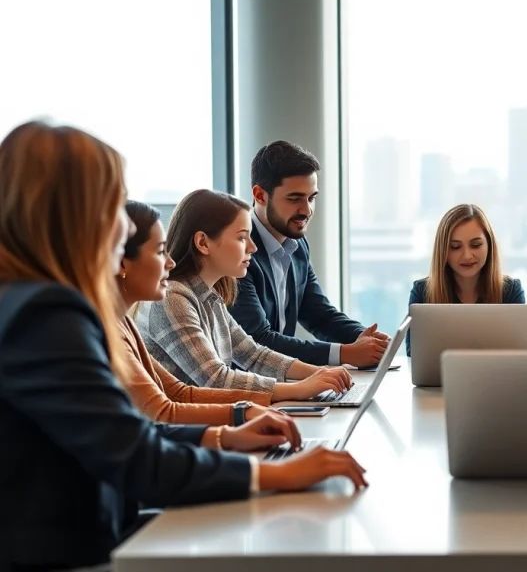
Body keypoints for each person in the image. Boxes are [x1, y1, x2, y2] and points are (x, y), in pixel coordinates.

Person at [0, 121, 367, 570]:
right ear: (78, 215)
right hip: (74, 553)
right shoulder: (47, 314)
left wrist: (224, 434)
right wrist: (275, 472)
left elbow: (131, 430)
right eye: (114, 204)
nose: (123, 224)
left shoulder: (29, 303)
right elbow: (138, 458)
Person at [119, 200, 344, 426]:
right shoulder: (172, 300)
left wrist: (319, 375)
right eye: (242, 237)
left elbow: (252, 355)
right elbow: (213, 381)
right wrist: (296, 389)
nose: (253, 248)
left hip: (197, 430)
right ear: (203, 243)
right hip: (187, 434)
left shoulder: (208, 296)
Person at [228, 140, 389, 367]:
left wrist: (366, 339)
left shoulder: (297, 245)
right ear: (260, 195)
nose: (306, 210)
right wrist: (344, 353)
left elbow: (319, 314)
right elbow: (258, 340)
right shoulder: (237, 250)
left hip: (283, 384)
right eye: (294, 199)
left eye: (311, 198)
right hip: (246, 390)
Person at [406, 203, 525, 354]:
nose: (467, 255)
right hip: (440, 378)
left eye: (476, 245)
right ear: (443, 251)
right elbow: (413, 352)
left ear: (489, 244)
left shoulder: (511, 290)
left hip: (497, 377)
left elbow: (520, 352)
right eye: (455, 247)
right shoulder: (422, 291)